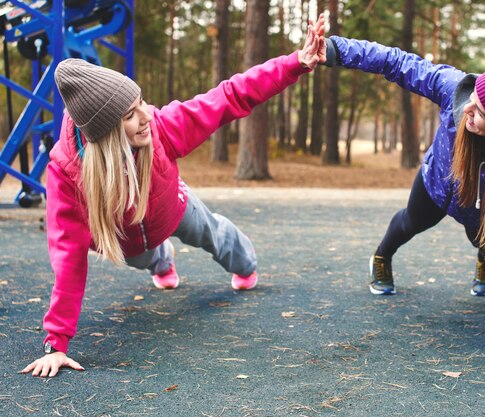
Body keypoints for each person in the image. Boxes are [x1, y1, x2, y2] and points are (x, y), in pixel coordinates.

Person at [20, 16, 326, 378]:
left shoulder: (160, 127)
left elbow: (228, 96)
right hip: (128, 237)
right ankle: (162, 260)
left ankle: (245, 264)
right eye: (130, 115)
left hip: (173, 206)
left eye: (142, 102)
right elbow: (68, 256)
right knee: (145, 257)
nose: (146, 115)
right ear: (106, 136)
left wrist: (295, 63)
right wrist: (56, 343)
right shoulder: (67, 176)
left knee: (214, 233)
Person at [322, 35, 485, 383]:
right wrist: (334, 50)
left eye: (481, 112)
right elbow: (396, 61)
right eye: (475, 98)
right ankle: (382, 255)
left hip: (484, 204)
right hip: (439, 181)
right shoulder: (458, 89)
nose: (468, 108)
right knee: (411, 221)